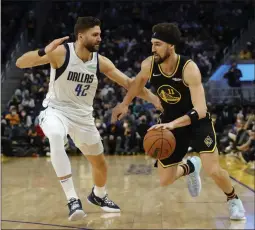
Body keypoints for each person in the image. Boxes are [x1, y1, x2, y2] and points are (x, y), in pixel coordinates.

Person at [16, 16, 162, 221]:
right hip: (56, 110)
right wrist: (44, 51)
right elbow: (20, 63)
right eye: (95, 35)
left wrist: (154, 98)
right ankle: (72, 200)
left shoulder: (100, 61)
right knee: (56, 136)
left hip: (83, 117)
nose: (99, 38)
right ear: (81, 36)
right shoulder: (61, 52)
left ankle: (99, 195)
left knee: (100, 165)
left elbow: (130, 83)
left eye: (100, 34)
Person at [111, 22, 245, 220]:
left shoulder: (189, 68)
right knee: (165, 180)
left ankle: (233, 199)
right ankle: (190, 167)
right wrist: (125, 104)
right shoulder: (149, 65)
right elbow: (137, 84)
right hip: (169, 122)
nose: (152, 48)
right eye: (152, 44)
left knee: (213, 170)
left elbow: (200, 109)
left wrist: (173, 124)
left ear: (171, 45)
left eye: (157, 44)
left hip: (197, 122)